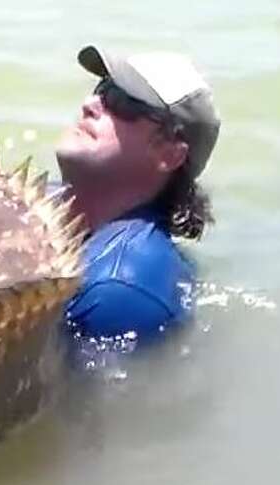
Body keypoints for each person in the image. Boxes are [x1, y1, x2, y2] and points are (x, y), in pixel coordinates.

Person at [54, 45, 220, 346]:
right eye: (101, 88)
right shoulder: (48, 203)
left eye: (122, 102)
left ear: (169, 154)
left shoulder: (115, 291)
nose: (90, 103)